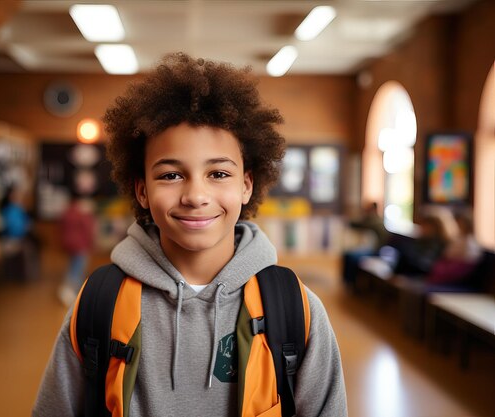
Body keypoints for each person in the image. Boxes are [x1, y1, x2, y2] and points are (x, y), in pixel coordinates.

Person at [33, 53, 347, 417]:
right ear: (142, 191)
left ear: (247, 185)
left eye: (218, 174)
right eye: (170, 175)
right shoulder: (99, 304)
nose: (196, 196)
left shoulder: (295, 310)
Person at [57, 194, 96, 307]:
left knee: (72, 266)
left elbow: (61, 228)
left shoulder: (68, 212)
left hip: (69, 244)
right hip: (81, 245)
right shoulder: (83, 215)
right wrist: (91, 244)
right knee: (78, 269)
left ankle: (67, 290)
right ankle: (72, 293)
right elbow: (89, 230)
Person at [427, 209, 482, 285]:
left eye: (461, 222)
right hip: (453, 265)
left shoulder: (470, 241)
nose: (458, 225)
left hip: (461, 269)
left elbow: (467, 258)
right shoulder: (458, 238)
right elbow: (447, 253)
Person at [342, 201, 388, 287]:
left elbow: (357, 224)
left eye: (368, 209)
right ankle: (350, 282)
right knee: (349, 255)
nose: (366, 210)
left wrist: (348, 218)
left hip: (377, 251)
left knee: (350, 257)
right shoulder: (376, 219)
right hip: (376, 249)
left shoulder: (374, 220)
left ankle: (352, 284)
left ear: (373, 209)